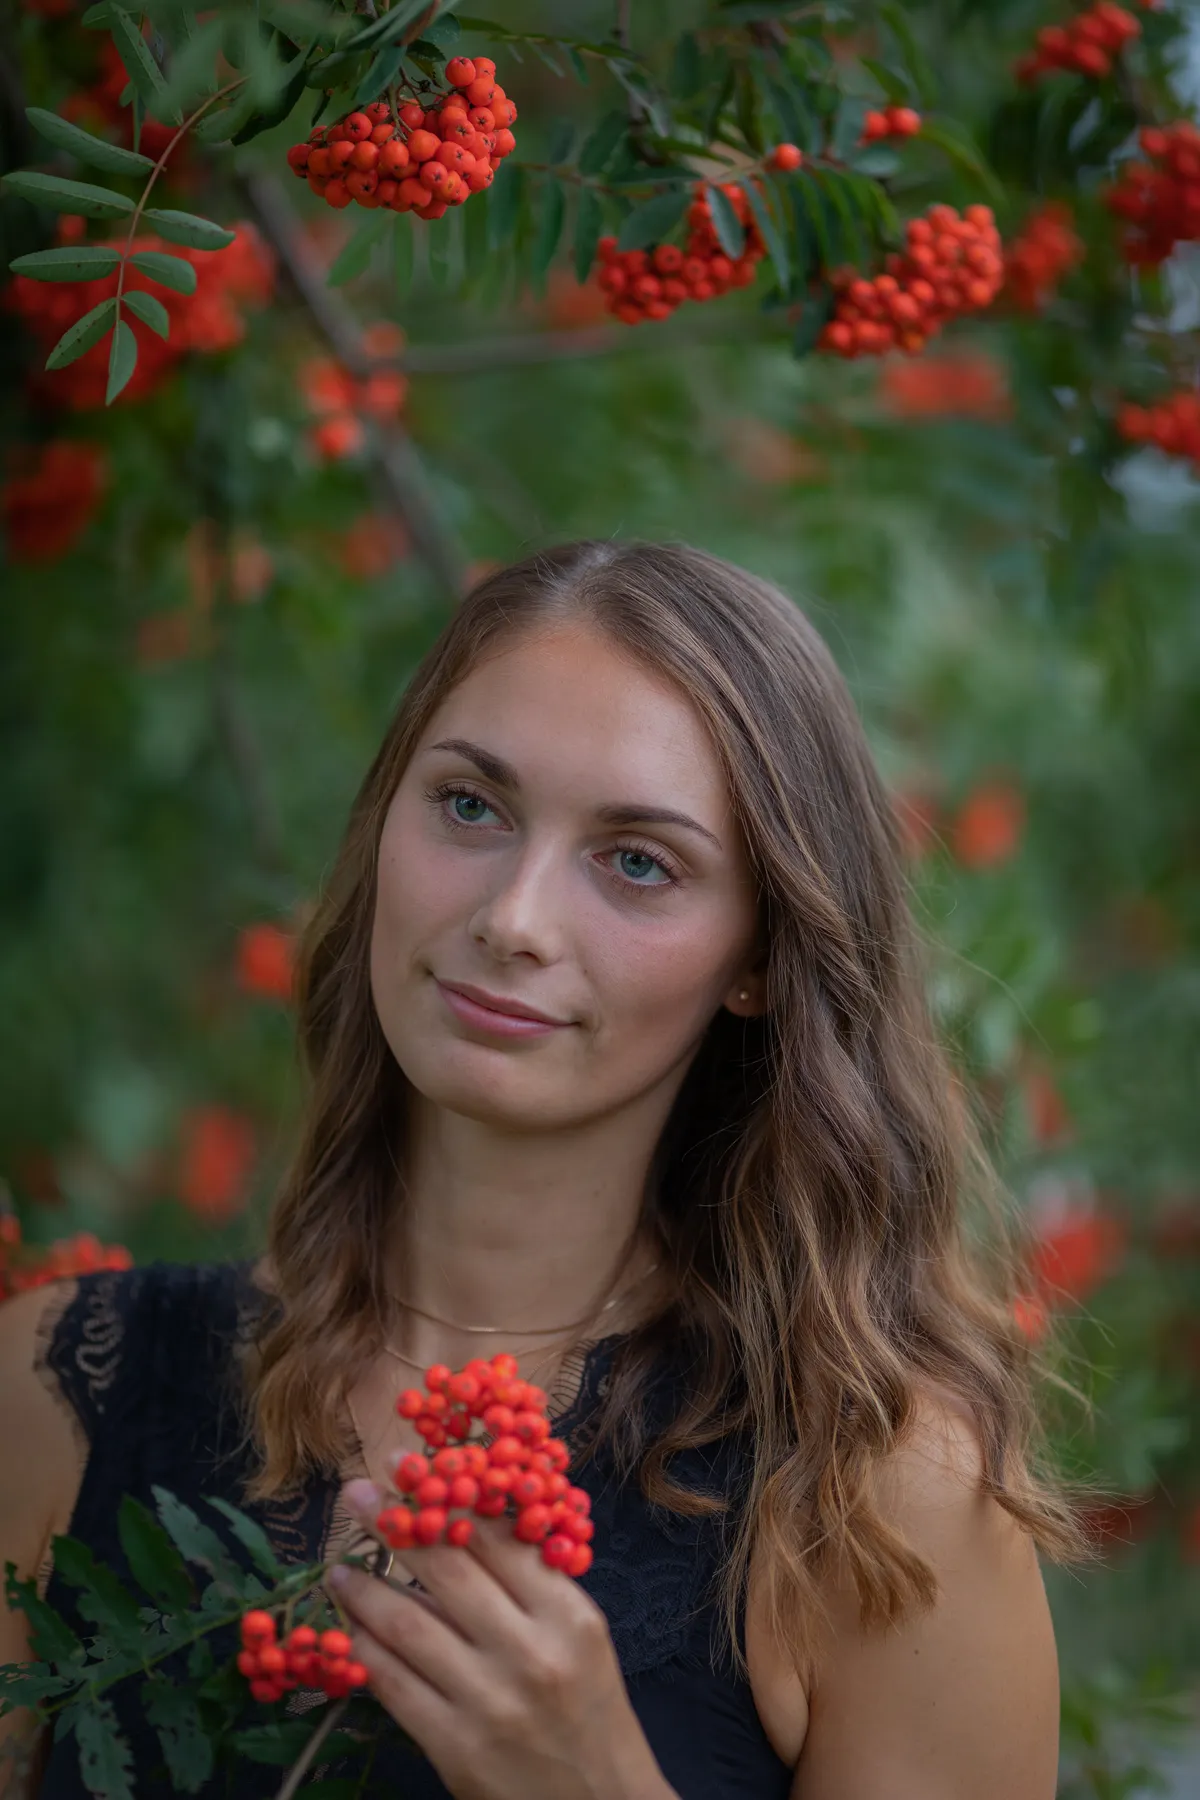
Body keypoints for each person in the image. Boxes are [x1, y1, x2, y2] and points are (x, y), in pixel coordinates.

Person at [1, 539, 1090, 1799]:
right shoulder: (54, 1395)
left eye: (638, 861)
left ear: (758, 959)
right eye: (471, 805)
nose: (512, 918)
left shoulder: (875, 1498)